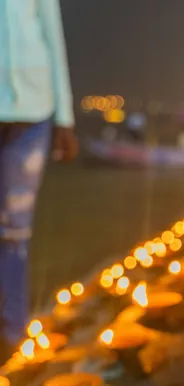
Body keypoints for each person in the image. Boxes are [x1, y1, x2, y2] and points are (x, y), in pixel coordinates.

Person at [0, 0, 78, 360]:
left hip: (33, 113)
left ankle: (13, 333)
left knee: (15, 231)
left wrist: (64, 117)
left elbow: (52, 36)